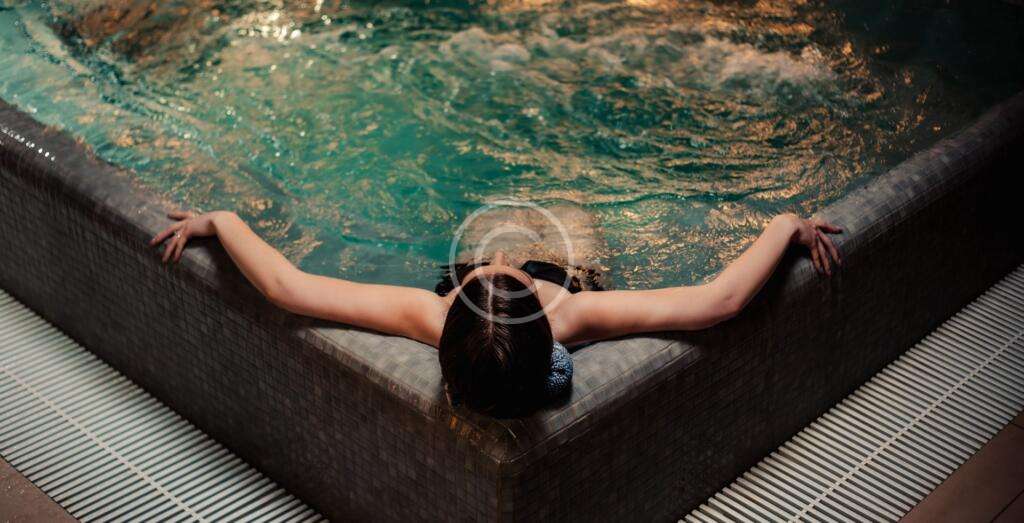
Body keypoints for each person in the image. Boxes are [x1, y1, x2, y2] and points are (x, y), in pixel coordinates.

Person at [150, 210, 841, 415]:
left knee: (522, 222)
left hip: (499, 275)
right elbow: (719, 300)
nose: (505, 259)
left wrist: (222, 220)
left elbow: (284, 285)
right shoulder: (569, 312)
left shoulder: (429, 312)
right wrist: (784, 226)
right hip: (563, 266)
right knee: (574, 218)